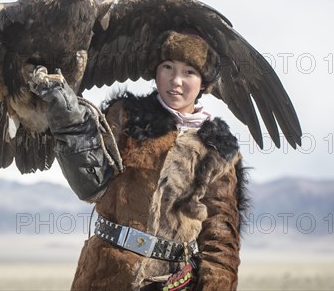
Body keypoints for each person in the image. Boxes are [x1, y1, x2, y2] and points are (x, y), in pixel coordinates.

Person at [29, 30, 248, 291]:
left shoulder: (217, 147)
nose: (175, 80)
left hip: (172, 282)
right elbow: (90, 186)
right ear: (156, 72)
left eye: (189, 72)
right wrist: (70, 127)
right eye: (167, 67)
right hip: (105, 274)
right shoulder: (126, 117)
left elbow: (220, 239)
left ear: (204, 83)